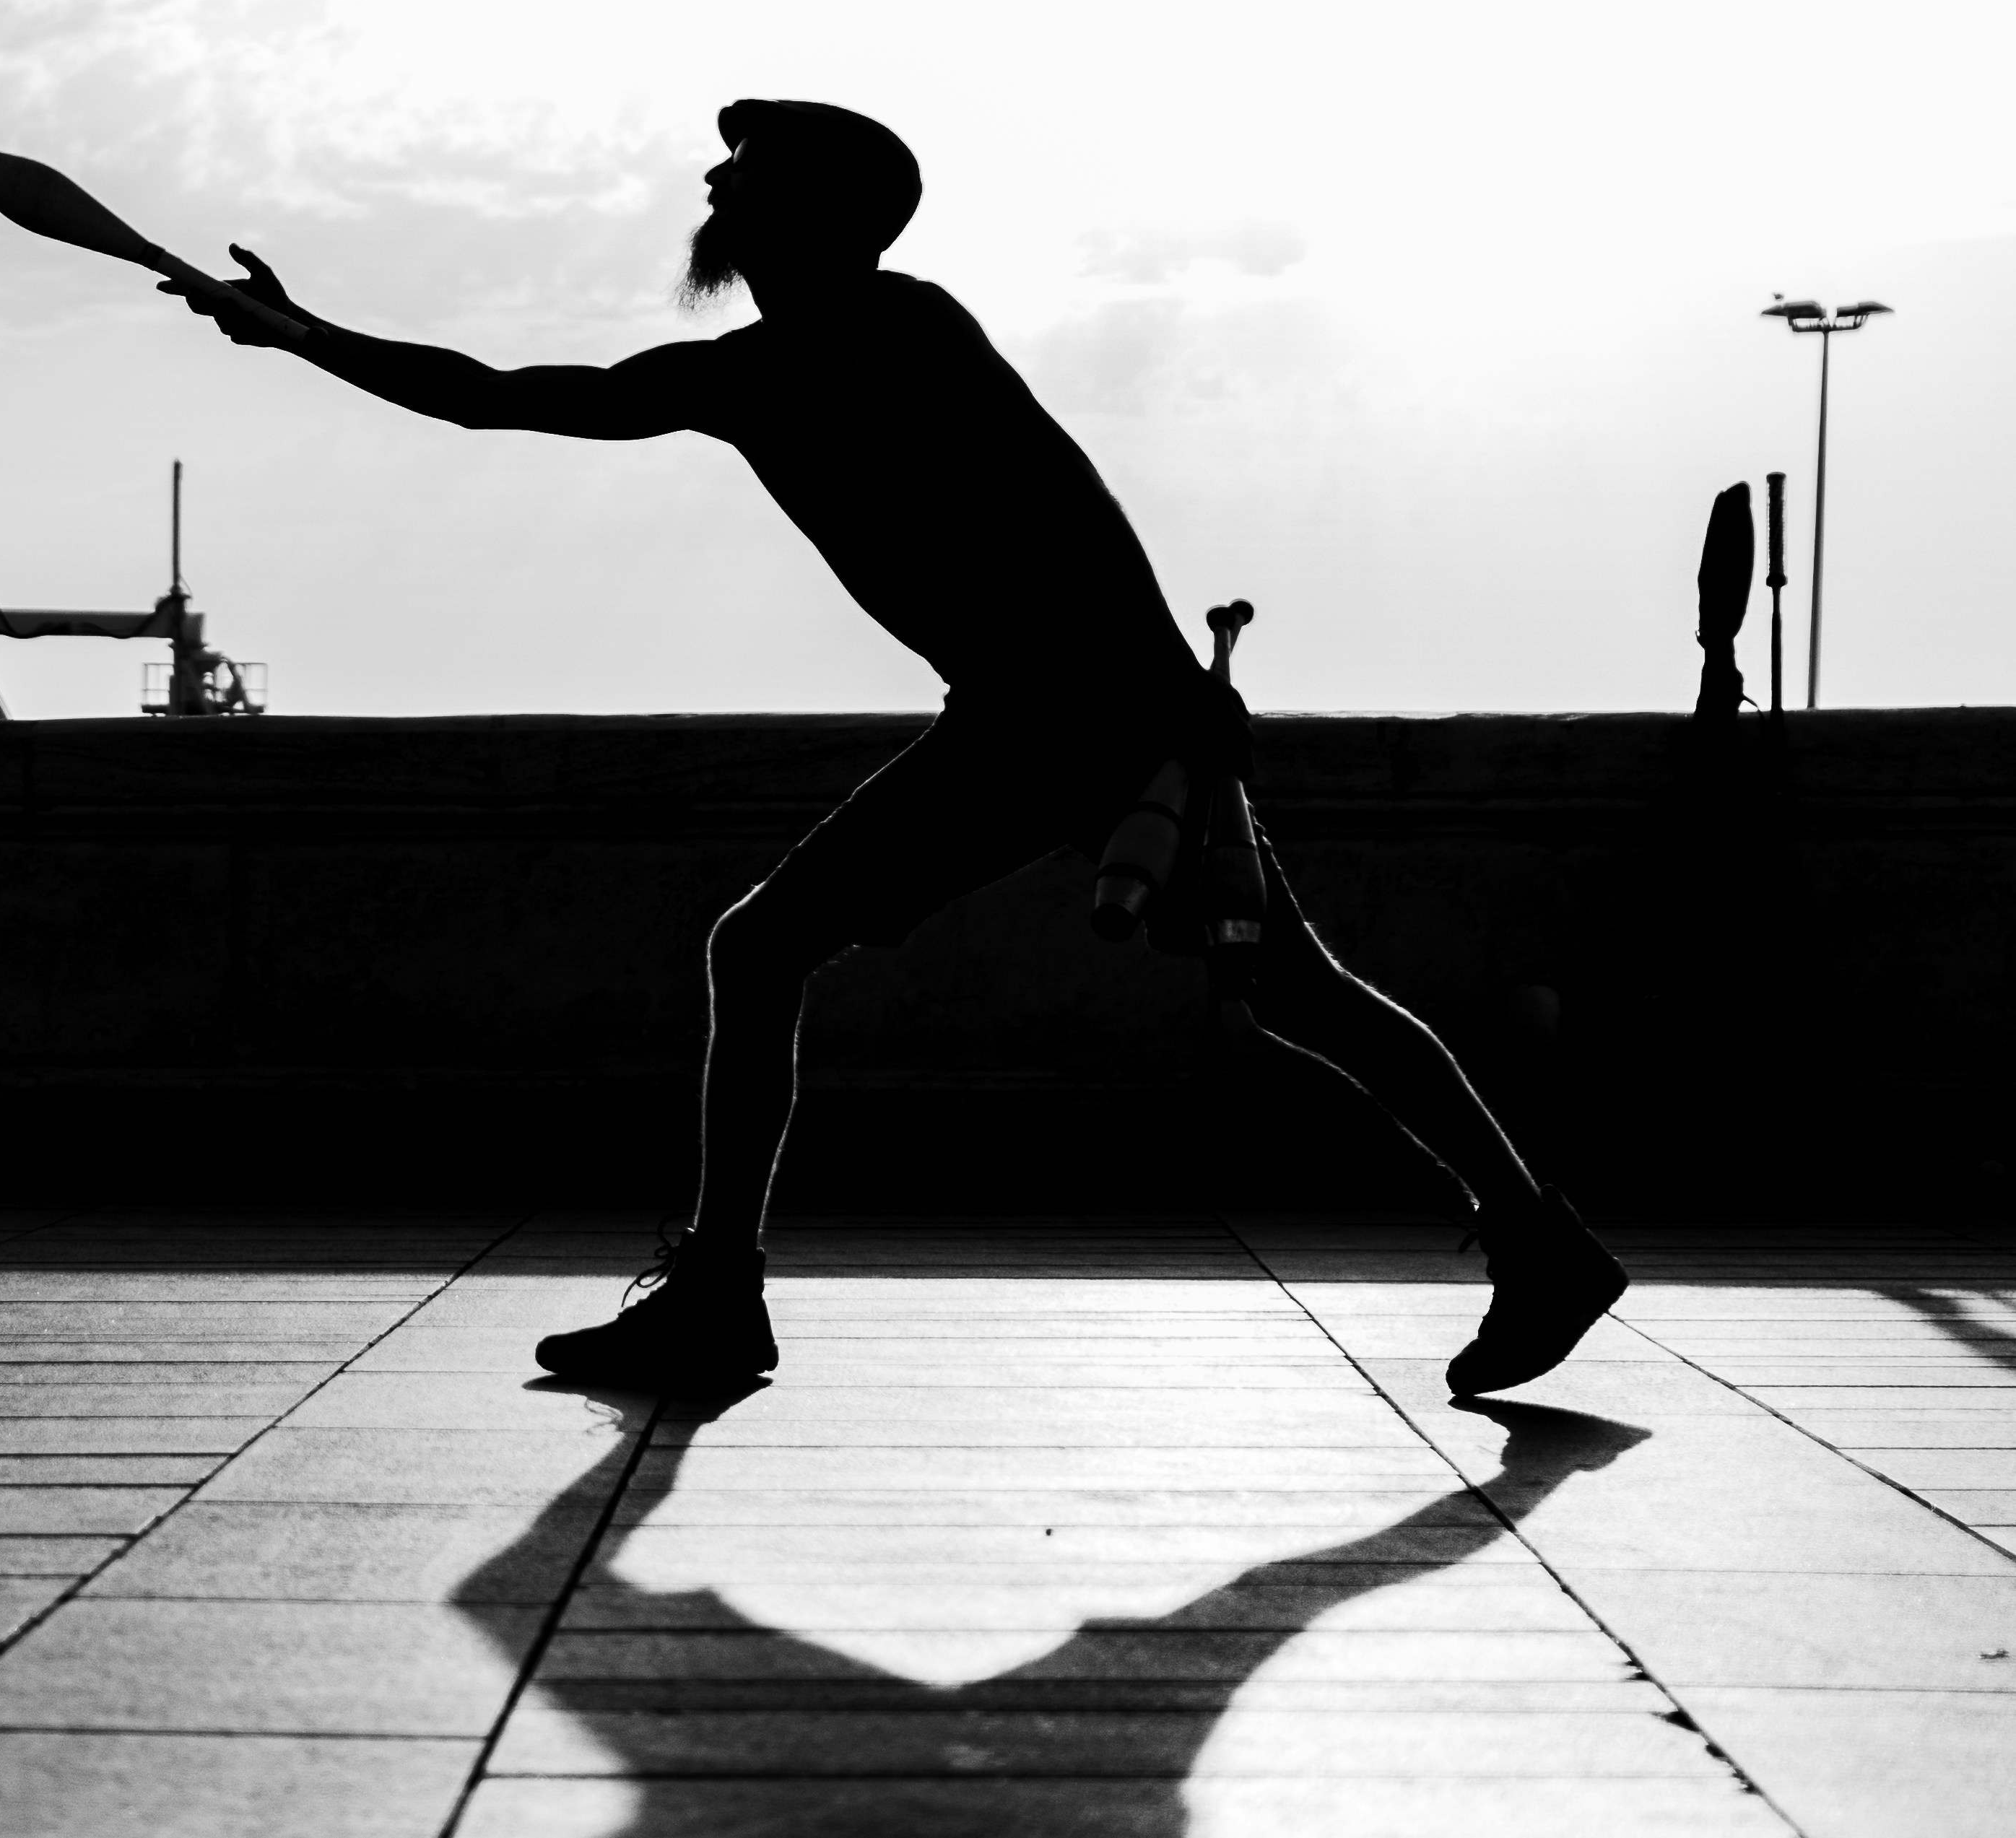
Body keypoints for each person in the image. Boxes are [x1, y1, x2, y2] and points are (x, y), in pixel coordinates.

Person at [165, 99, 1628, 1398]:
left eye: (751, 167)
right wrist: (305, 335)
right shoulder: (738, 378)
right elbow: (501, 392)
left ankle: (719, 1298)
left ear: (835, 209)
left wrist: (1177, 701)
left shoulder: (910, 327)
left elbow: (1070, 499)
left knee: (786, 947)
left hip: (1089, 707)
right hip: (1035, 715)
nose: (716, 181)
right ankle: (1537, 1240)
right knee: (1283, 989)